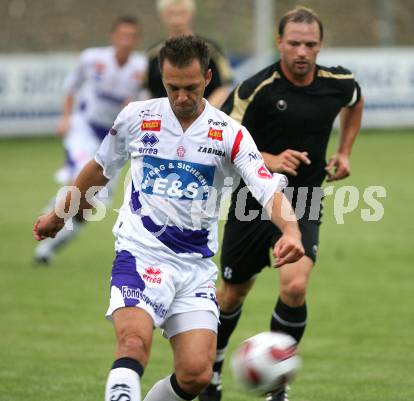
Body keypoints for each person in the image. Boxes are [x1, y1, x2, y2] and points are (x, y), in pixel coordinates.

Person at [33, 35, 305, 401]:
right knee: (133, 343)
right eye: (172, 87)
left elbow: (267, 190)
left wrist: (290, 230)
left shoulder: (230, 134)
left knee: (196, 375)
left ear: (208, 78)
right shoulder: (136, 117)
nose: (181, 97)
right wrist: (58, 214)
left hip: (194, 267)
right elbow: (99, 169)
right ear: (161, 78)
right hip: (139, 253)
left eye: (190, 87)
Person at [199, 6, 364, 401]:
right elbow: (217, 137)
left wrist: (344, 151)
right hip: (253, 201)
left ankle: (278, 384)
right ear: (280, 44)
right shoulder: (256, 88)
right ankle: (213, 371)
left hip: (305, 199)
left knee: (295, 286)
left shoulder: (338, 82)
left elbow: (355, 102)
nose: (302, 52)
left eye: (310, 44)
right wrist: (269, 160)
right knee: (232, 293)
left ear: (320, 45)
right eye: (294, 44)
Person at [34, 15, 146, 264]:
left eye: (132, 36)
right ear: (113, 36)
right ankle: (51, 216)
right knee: (83, 177)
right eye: (122, 35)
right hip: (84, 128)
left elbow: (145, 101)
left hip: (116, 138)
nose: (126, 40)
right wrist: (65, 118)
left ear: (136, 40)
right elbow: (71, 87)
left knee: (89, 205)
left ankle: (47, 248)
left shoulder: (142, 68)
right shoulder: (92, 58)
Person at [144, 0, 233, 107]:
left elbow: (223, 87)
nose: (176, 19)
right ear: (162, 15)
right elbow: (147, 91)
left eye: (182, 13)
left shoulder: (211, 50)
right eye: (171, 13)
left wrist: (205, 113)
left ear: (191, 14)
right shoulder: (153, 54)